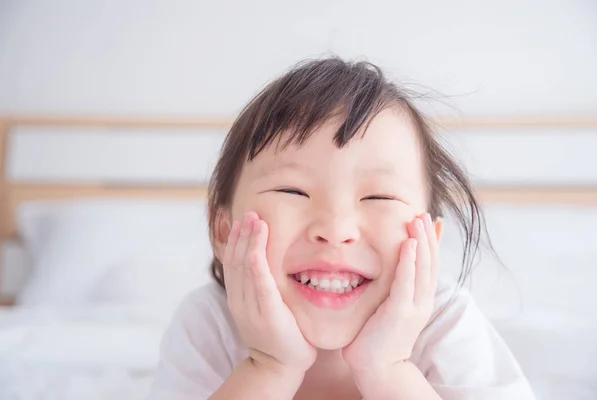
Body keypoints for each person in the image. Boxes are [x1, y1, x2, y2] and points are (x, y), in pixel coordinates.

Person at [148, 57, 536, 400]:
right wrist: (268, 367)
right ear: (223, 231)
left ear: (429, 243)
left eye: (379, 197)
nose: (335, 230)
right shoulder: (209, 324)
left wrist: (389, 371)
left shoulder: (444, 323)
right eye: (292, 191)